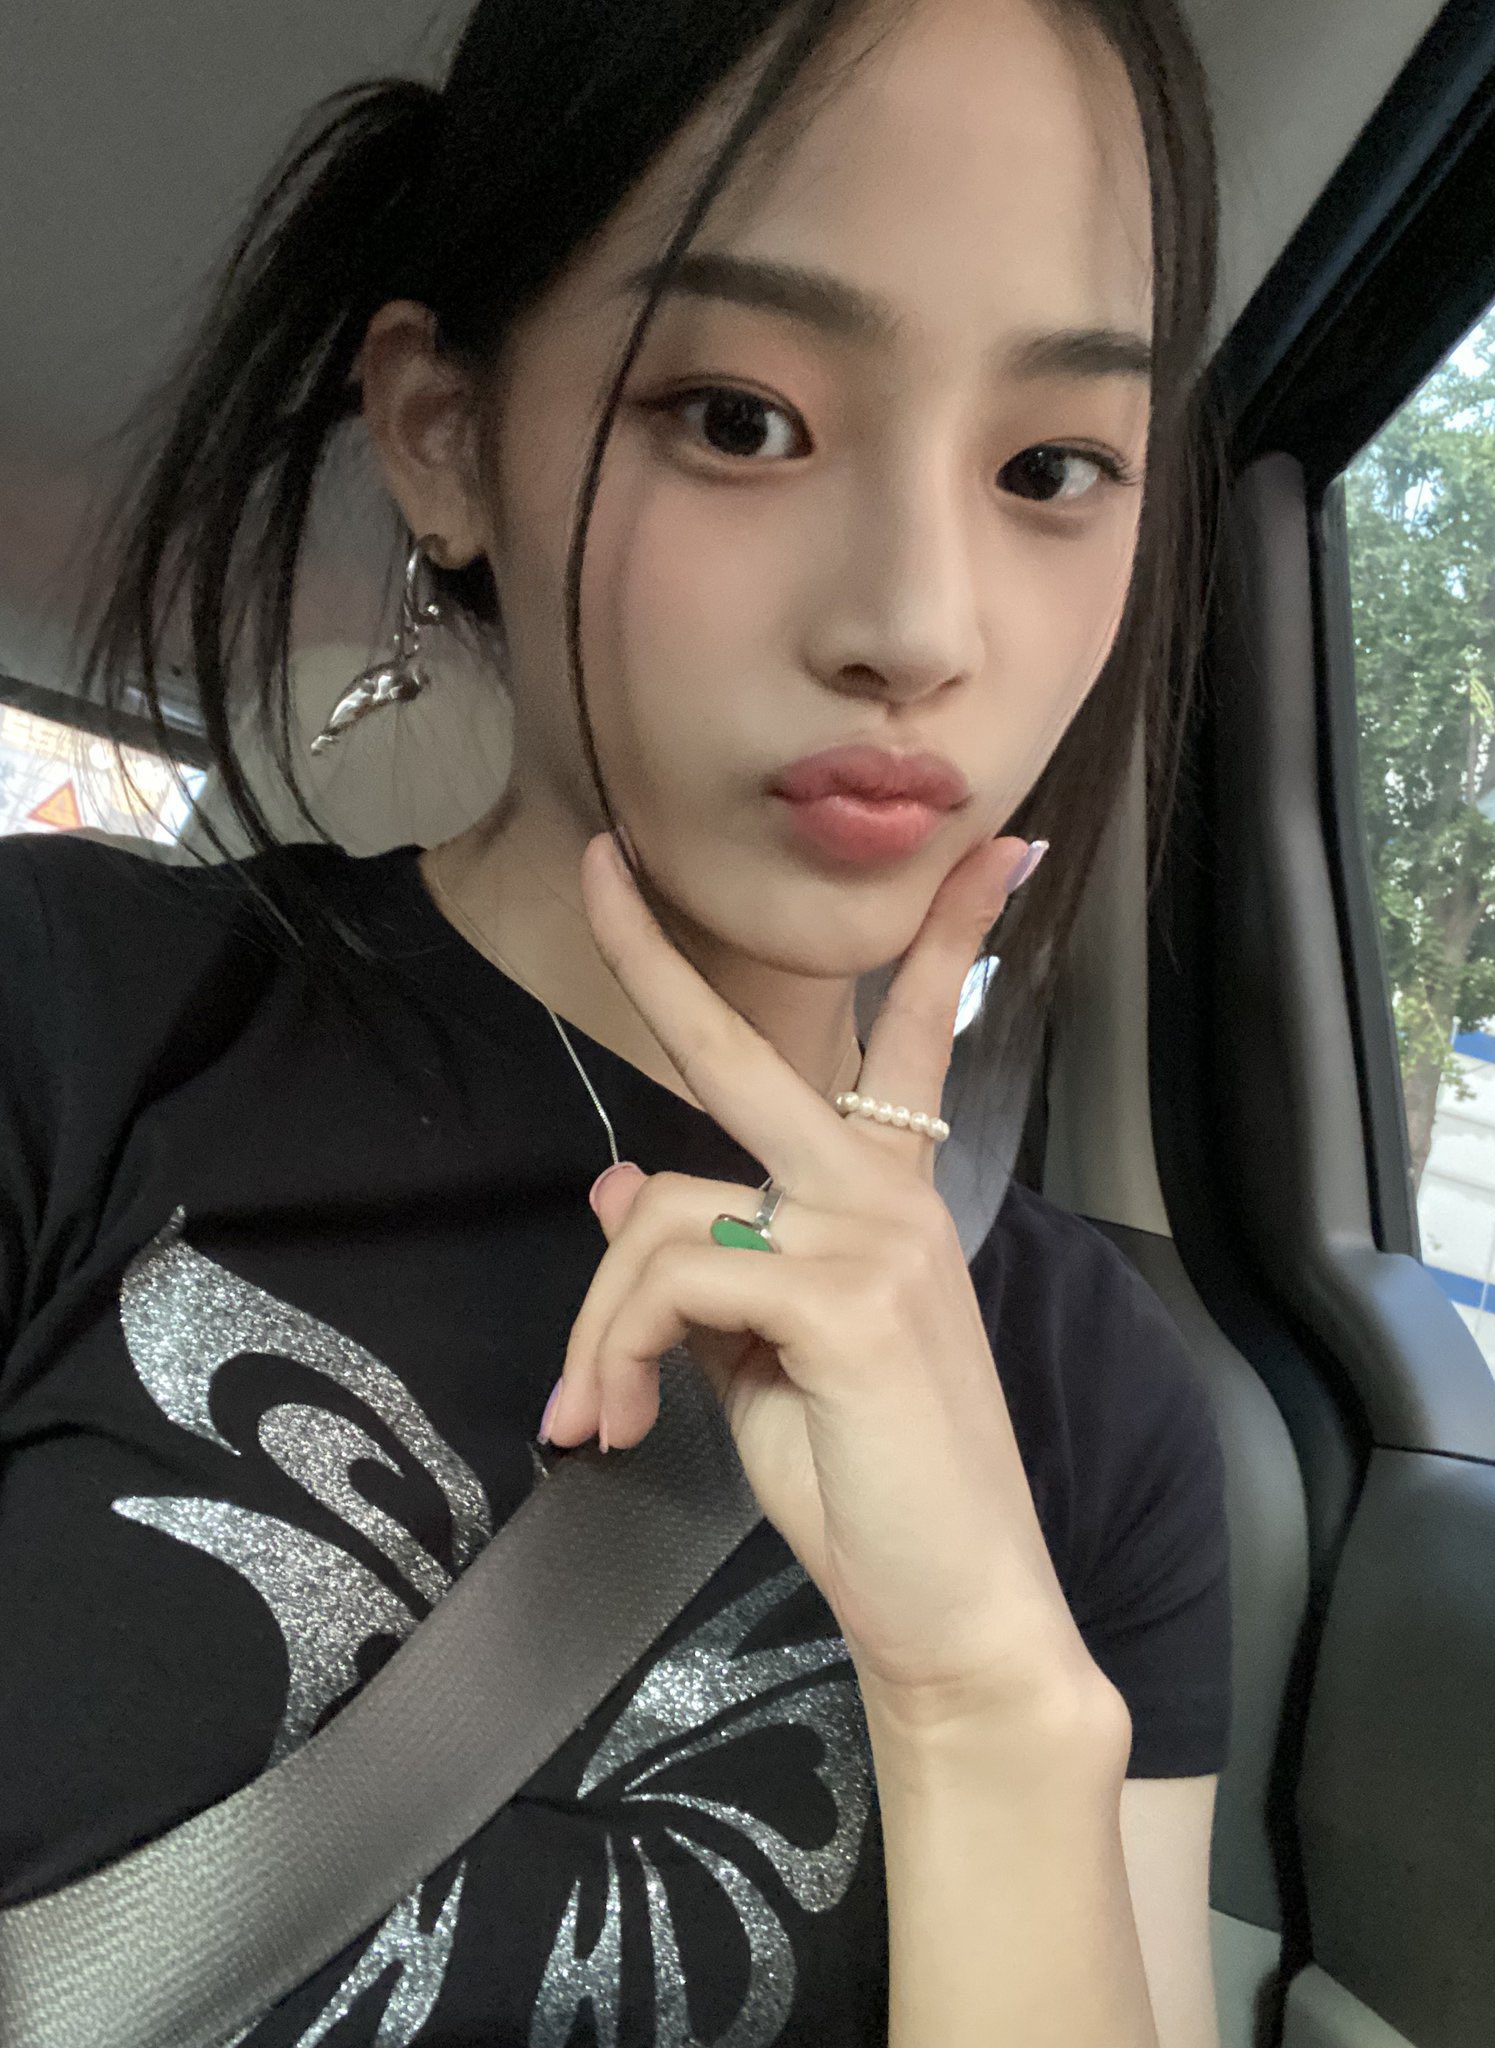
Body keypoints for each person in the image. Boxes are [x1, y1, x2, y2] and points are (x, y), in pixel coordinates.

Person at [0, 0, 1232, 2040]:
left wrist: (991, 1706)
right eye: (740, 418)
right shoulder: (69, 1021)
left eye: (1052, 466)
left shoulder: (1097, 1405)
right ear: (446, 435)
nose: (920, 624)